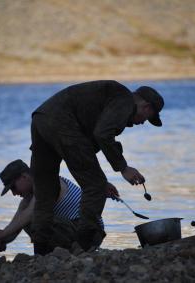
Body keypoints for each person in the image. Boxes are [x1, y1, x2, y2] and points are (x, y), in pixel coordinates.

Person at [30, 80, 164, 255]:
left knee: (45, 191)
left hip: (41, 118)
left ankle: (40, 253)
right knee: (94, 187)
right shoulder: (125, 101)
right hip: (62, 121)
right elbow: (103, 134)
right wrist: (123, 168)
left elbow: (87, 147)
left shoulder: (111, 99)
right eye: (148, 118)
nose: (142, 123)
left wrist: (102, 180)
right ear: (146, 107)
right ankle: (84, 247)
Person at [0, 159, 119, 252]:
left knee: (36, 217)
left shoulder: (47, 183)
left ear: (24, 177)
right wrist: (3, 239)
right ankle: (58, 252)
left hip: (91, 231)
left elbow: (30, 214)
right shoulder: (28, 199)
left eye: (13, 188)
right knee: (28, 219)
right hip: (72, 230)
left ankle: (69, 251)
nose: (14, 193)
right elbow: (18, 223)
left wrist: (4, 233)